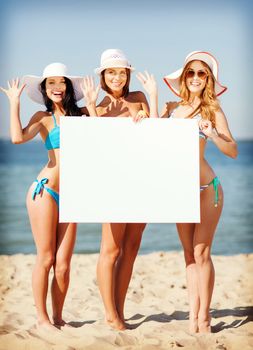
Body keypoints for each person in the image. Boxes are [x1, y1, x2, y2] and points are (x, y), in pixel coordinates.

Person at [0, 62, 85, 330]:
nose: (57, 87)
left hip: (73, 194)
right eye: (51, 83)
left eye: (62, 82)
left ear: (68, 87)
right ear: (45, 89)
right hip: (45, 191)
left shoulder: (83, 115)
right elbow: (17, 138)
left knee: (63, 264)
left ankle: (59, 317)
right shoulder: (42, 117)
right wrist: (14, 103)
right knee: (46, 258)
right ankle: (42, 318)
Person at [81, 48, 158, 330]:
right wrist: (90, 108)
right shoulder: (98, 107)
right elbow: (95, 147)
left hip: (142, 183)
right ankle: (110, 315)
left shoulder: (138, 99)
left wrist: (153, 99)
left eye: (121, 72)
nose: (117, 77)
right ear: (103, 76)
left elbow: (159, 136)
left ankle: (120, 310)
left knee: (132, 248)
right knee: (111, 250)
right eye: (111, 72)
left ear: (128, 75)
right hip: (112, 184)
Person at [161, 51, 237, 333]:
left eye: (201, 73)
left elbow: (232, 151)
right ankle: (193, 316)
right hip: (179, 189)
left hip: (207, 189)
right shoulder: (173, 110)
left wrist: (214, 134)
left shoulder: (213, 110)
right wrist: (148, 113)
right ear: (183, 77)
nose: (195, 77)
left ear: (209, 80)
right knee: (188, 255)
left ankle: (204, 318)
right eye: (190, 72)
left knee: (202, 251)